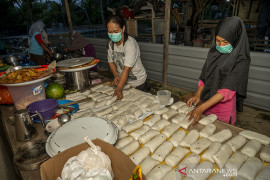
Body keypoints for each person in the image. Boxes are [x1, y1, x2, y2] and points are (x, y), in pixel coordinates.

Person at [187, 16, 251, 125]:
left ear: (235, 39)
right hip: (206, 104)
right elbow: (204, 77)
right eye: (217, 41)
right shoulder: (214, 53)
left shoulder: (241, 60)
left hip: (223, 111)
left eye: (225, 42)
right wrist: (198, 94)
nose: (220, 46)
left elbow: (227, 90)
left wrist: (201, 108)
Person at [107, 15, 147, 100]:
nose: (112, 34)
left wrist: (119, 88)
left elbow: (127, 69)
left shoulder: (130, 44)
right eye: (110, 32)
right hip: (123, 82)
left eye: (115, 31)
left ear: (123, 28)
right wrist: (116, 75)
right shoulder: (111, 44)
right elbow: (110, 61)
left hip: (137, 82)